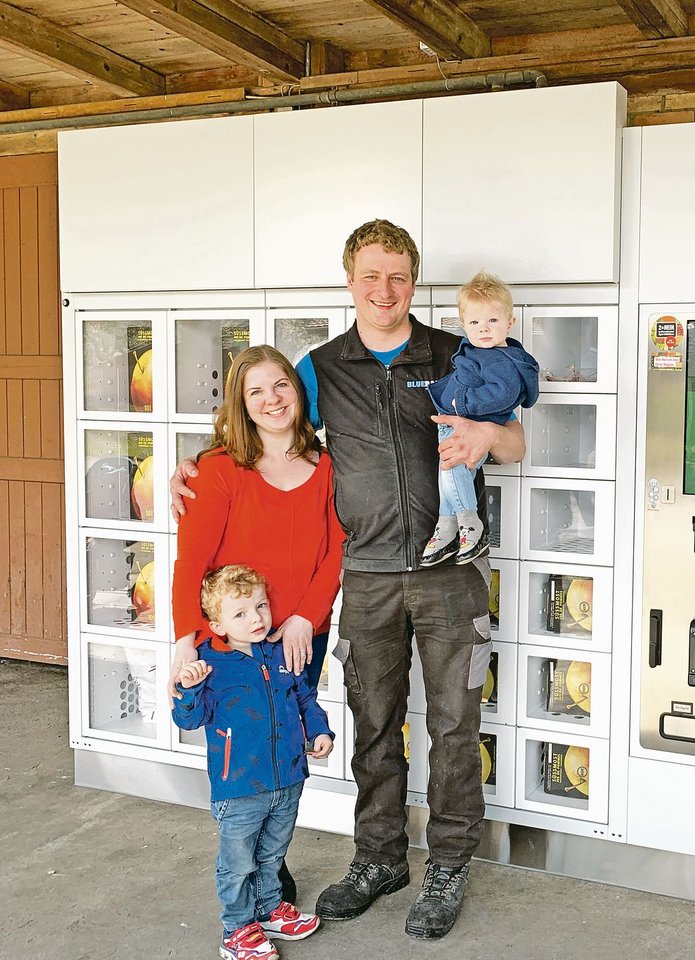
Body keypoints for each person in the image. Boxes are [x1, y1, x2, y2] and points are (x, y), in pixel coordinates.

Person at [171, 219, 525, 941]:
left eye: (398, 276)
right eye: (371, 276)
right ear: (349, 282)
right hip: (364, 576)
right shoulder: (324, 366)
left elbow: (515, 436)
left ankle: (450, 862)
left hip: (451, 572)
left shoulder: (454, 350)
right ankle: (379, 857)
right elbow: (267, 420)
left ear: (413, 283)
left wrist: (490, 435)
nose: (384, 290)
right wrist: (196, 466)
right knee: (374, 724)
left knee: (457, 726)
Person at [170, 343, 346, 905]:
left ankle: (272, 870)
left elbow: (335, 551)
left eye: (282, 386)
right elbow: (191, 563)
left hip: (297, 638)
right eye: (256, 392)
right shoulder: (219, 471)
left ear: (300, 393)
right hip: (231, 646)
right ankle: (245, 892)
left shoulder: (328, 470)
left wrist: (303, 619)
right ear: (241, 405)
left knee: (287, 742)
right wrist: (185, 642)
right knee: (242, 760)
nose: (272, 400)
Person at [173, 564, 335, 960]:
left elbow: (303, 699)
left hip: (288, 778)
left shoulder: (279, 652)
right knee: (238, 862)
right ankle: (237, 928)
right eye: (241, 614)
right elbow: (189, 719)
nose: (257, 618)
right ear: (216, 623)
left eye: (261, 606)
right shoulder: (209, 664)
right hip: (240, 786)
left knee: (273, 853)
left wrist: (319, 731)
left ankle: (267, 909)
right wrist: (189, 688)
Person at [420, 270, 538, 566]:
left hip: (465, 421)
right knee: (447, 471)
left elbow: (502, 396)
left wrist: (462, 404)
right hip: (456, 420)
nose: (483, 329)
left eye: (493, 321)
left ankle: (469, 522)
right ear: (463, 325)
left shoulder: (501, 360)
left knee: (452, 469)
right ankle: (447, 524)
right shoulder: (474, 351)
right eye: (474, 322)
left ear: (510, 323)